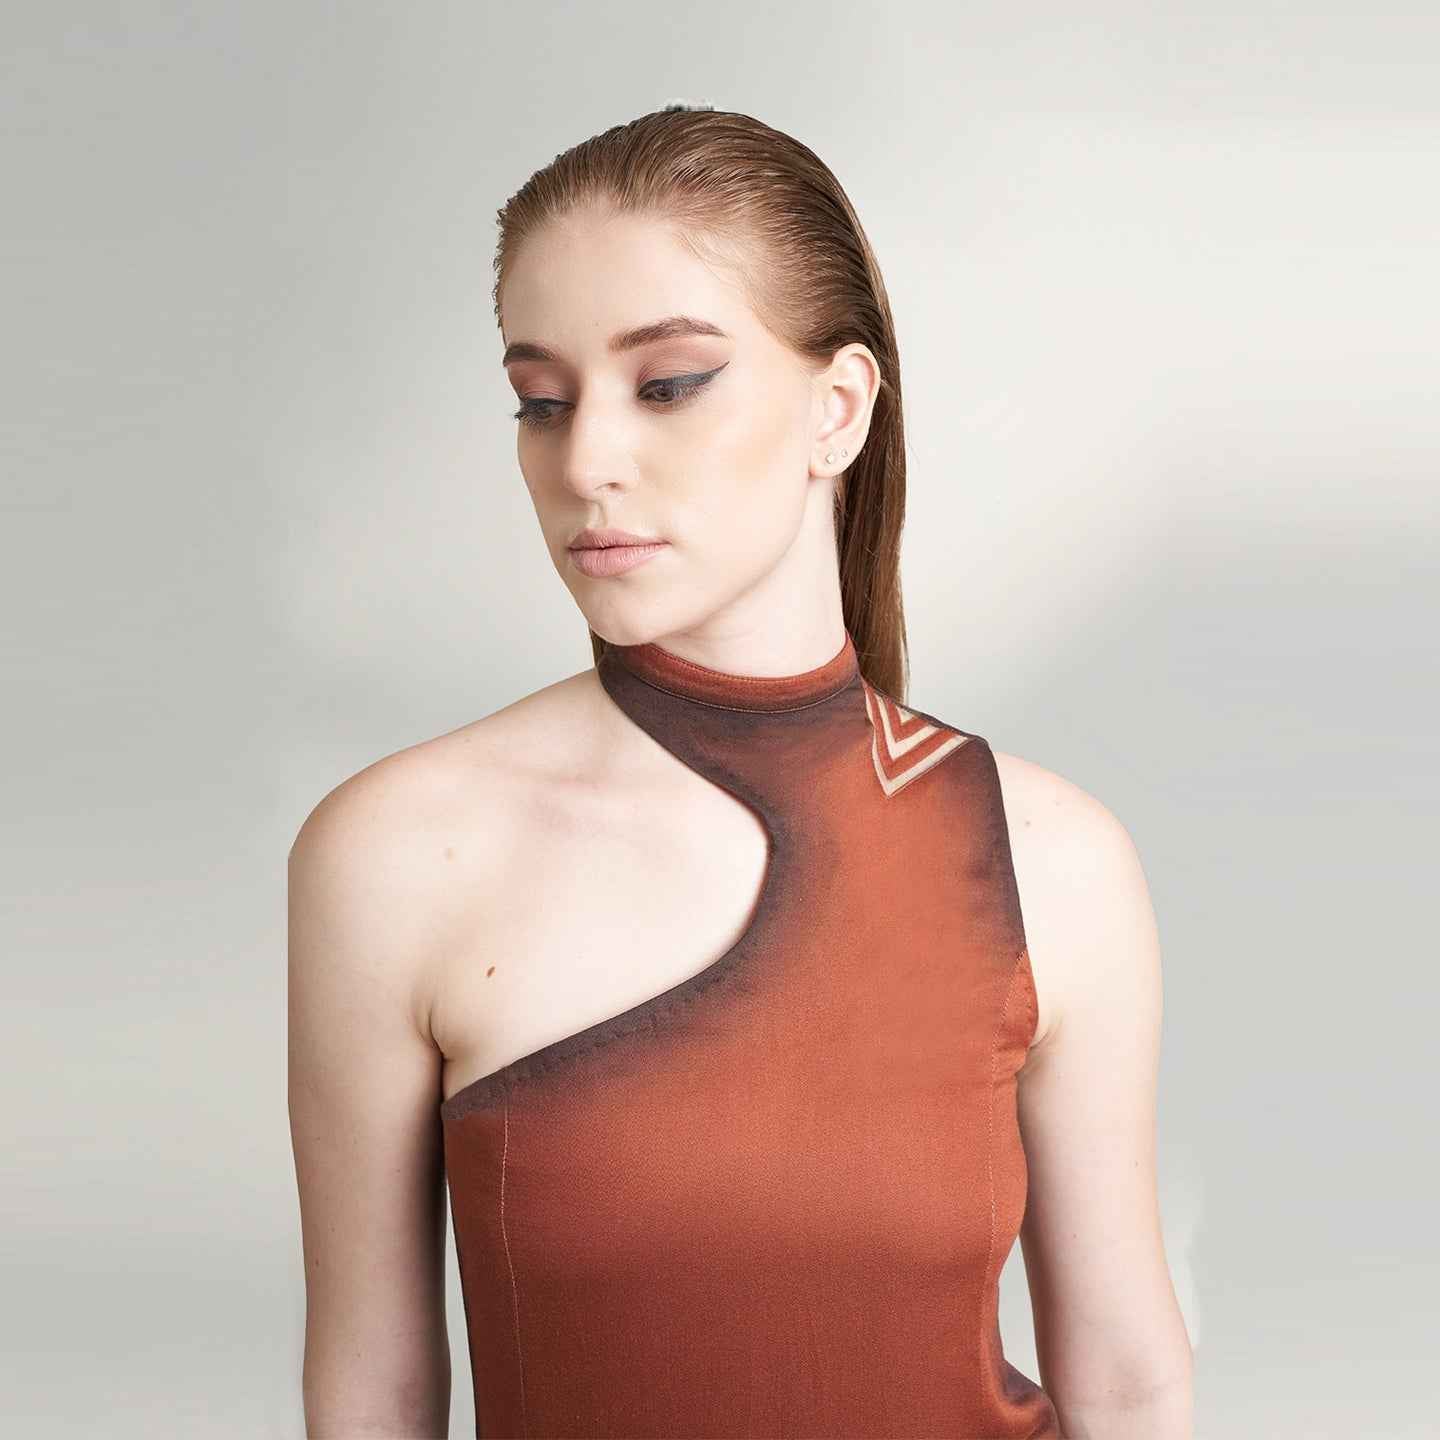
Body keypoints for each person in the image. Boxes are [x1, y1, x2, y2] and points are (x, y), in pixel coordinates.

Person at [288, 105, 1194, 1439]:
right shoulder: (399, 854)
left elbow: (1127, 1375)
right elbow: (373, 1389)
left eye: (667, 385)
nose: (585, 459)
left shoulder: (1048, 859)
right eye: (542, 401)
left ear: (839, 410)